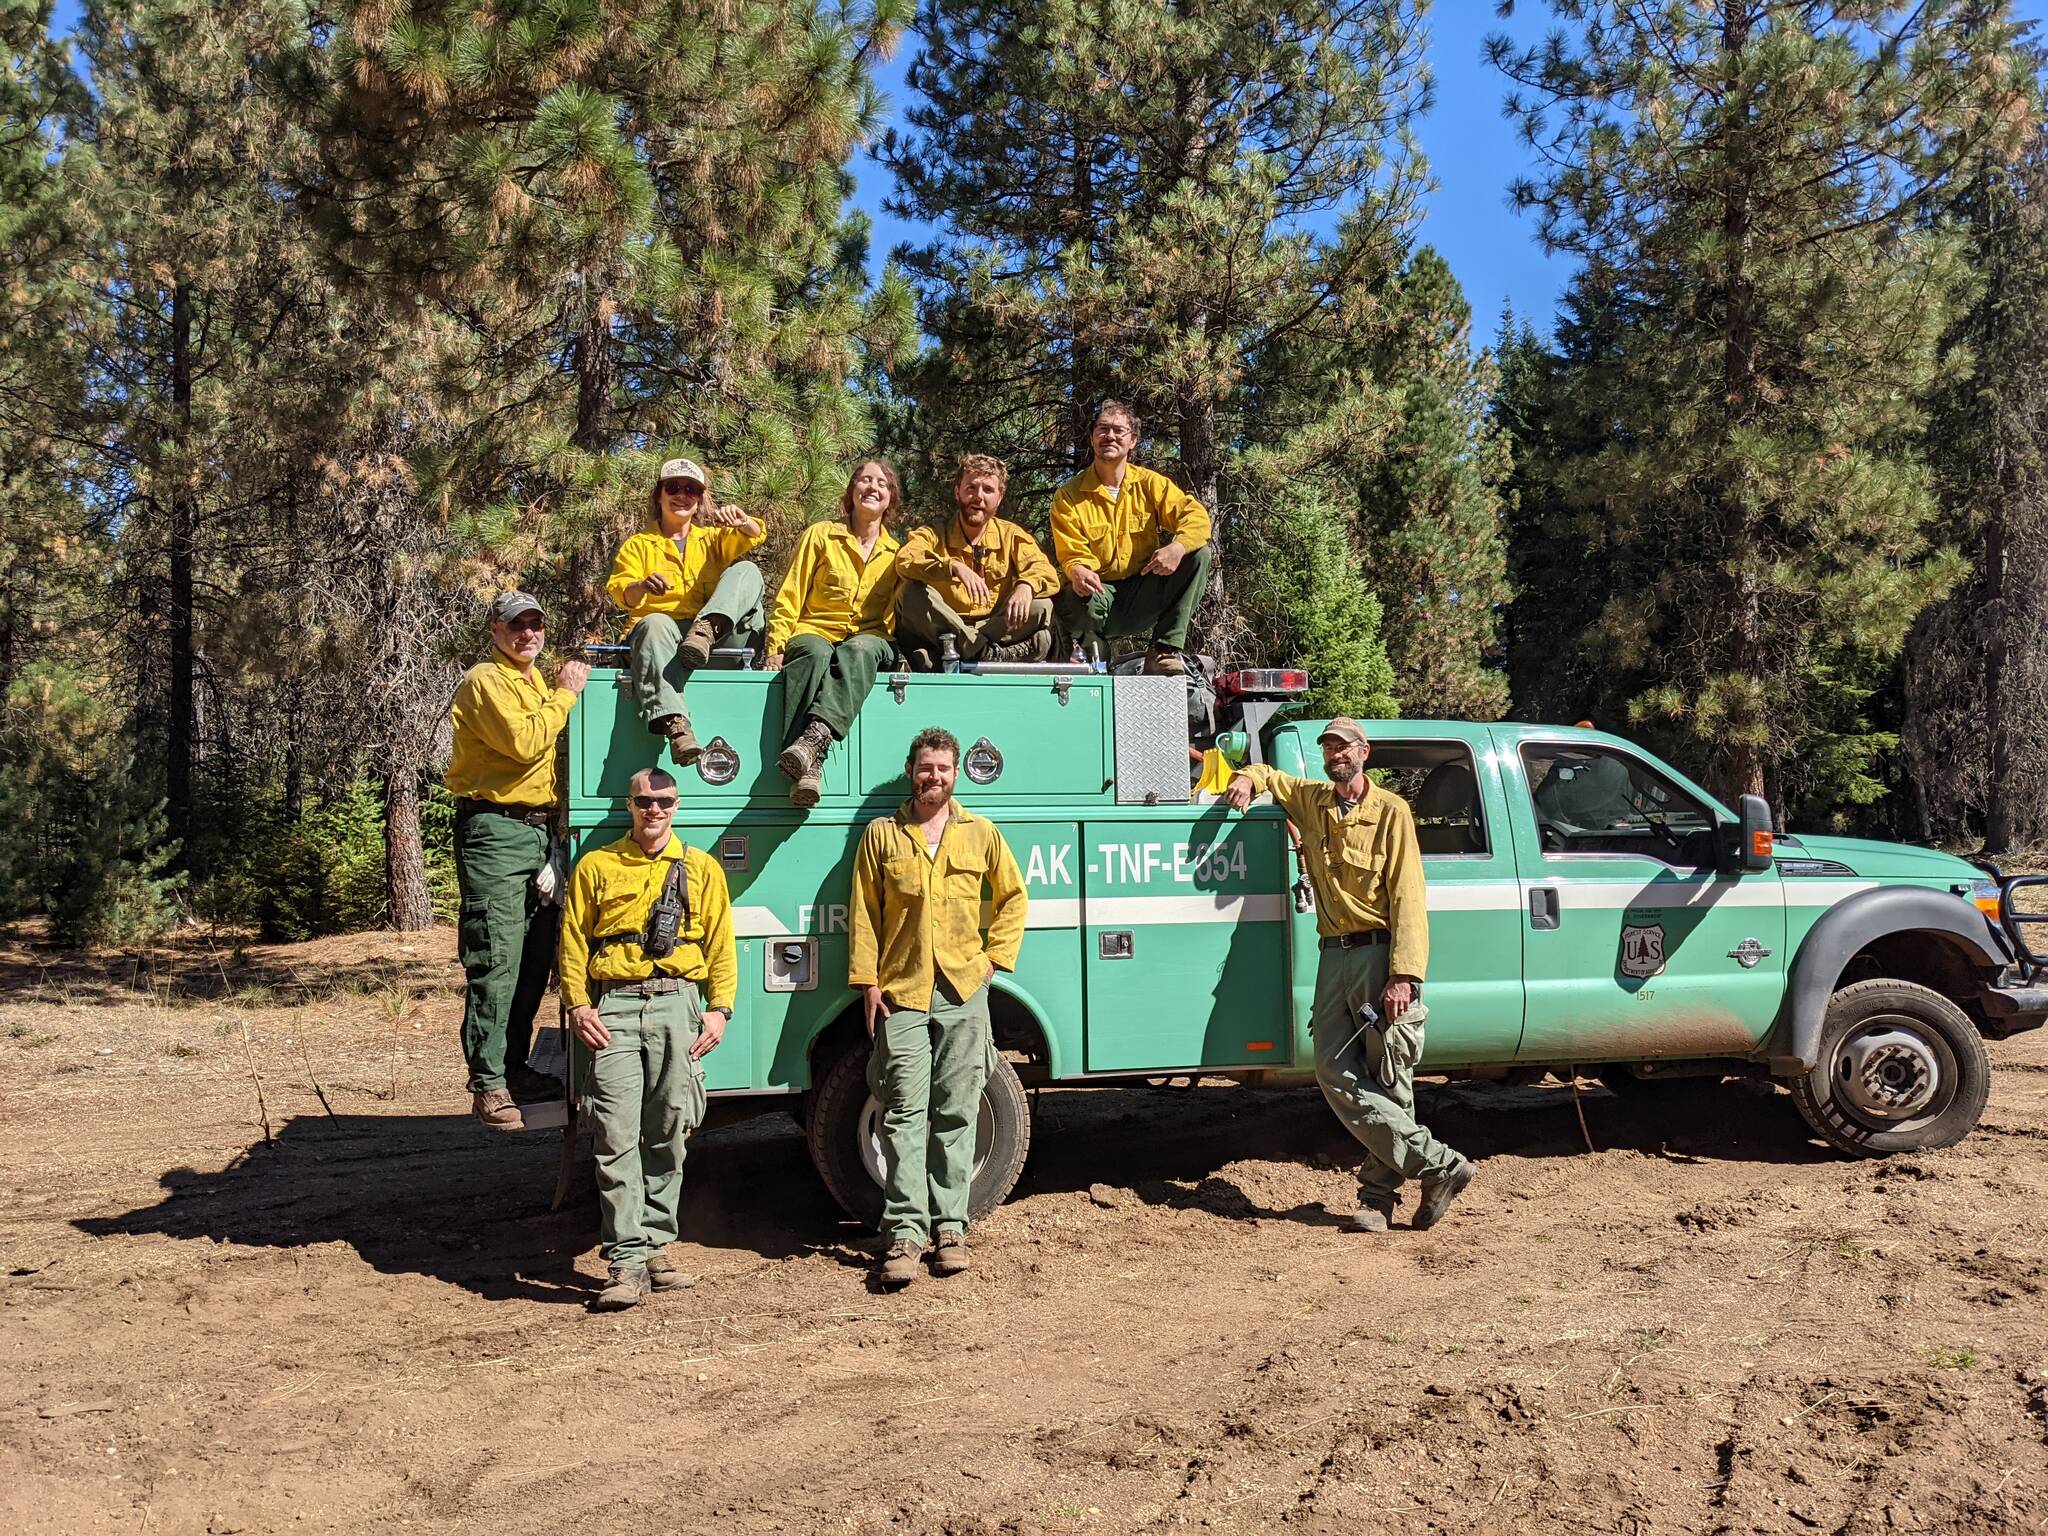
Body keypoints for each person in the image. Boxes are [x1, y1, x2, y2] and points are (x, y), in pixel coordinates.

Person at [1221, 718, 1473, 1231]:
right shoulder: (1313, 801)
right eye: (1329, 747)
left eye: (1343, 746)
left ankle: (1377, 1201)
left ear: (1365, 752)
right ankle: (1440, 1165)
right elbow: (1271, 775)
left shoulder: (1391, 812)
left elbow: (1408, 896)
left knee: (1390, 1076)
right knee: (1333, 1068)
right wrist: (1247, 776)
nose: (1335, 754)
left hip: (1379, 955)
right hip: (1333, 955)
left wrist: (1403, 974)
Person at [848, 727, 1028, 1287]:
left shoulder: (980, 833)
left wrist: (993, 961)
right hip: (901, 992)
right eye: (927, 768)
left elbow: (1014, 898)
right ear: (911, 770)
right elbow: (863, 912)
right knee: (902, 1113)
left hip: (962, 991)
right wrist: (867, 982)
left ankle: (951, 1226)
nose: (935, 777)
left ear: (956, 774)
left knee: (958, 1110)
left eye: (944, 769)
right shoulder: (883, 835)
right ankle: (903, 1232)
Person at [558, 766, 736, 1312]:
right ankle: (625, 1261)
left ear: (676, 805)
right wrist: (578, 1002)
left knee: (668, 1131)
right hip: (612, 1006)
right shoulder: (597, 865)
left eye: (664, 800)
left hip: (678, 1004)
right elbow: (571, 941)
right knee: (614, 1136)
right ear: (629, 805)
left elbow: (722, 943)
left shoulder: (702, 868)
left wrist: (720, 1010)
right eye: (644, 801)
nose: (654, 809)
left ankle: (657, 1247)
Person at [446, 591, 590, 1131]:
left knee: (533, 960)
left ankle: (514, 1067)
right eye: (517, 626)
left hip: (536, 833)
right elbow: (527, 744)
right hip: (494, 829)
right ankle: (487, 1084)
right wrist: (566, 694)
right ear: (496, 631)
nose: (528, 634)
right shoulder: (486, 680)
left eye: (536, 625)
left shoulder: (529, 681)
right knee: (496, 958)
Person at [606, 456, 768, 765]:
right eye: (674, 487)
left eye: (691, 490)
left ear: (699, 500)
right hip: (661, 642)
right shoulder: (639, 545)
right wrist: (642, 585)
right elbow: (621, 592)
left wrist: (742, 520)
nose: (682, 495)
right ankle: (677, 727)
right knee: (654, 622)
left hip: (708, 640)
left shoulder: (711, 539)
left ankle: (706, 629)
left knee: (748, 570)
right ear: (659, 495)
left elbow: (756, 533)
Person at [765, 460, 905, 807]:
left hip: (869, 640)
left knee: (858, 651)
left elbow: (899, 613)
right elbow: (792, 592)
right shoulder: (821, 534)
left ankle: (812, 747)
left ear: (891, 499)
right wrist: (775, 645)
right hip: (814, 631)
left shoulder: (898, 553)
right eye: (864, 480)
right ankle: (809, 771)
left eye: (882, 484)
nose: (873, 487)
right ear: (851, 491)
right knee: (815, 652)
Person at [1049, 400, 1214, 676]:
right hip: (1100, 595)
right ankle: (1096, 658)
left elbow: (1195, 516)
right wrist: (1077, 570)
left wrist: (1177, 546)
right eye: (1102, 429)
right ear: (1092, 437)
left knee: (1199, 555)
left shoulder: (1151, 483)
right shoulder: (1068, 495)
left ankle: (1163, 651)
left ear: (1133, 440)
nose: (1109, 436)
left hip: (1144, 594)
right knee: (1069, 599)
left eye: (1118, 431)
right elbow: (1072, 553)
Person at [894, 454, 1060, 668]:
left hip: (994, 628)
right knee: (908, 593)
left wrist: (1026, 586)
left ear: (1000, 497)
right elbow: (905, 560)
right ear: (957, 491)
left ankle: (971, 649)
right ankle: (982, 651)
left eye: (988, 490)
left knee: (1042, 605)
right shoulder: (934, 533)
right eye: (971, 488)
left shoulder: (1011, 535)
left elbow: (1045, 571)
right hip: (945, 628)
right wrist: (952, 566)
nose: (978, 496)